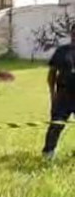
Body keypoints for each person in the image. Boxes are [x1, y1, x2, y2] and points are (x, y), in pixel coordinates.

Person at [42, 23, 75, 160]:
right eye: (74, 33)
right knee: (56, 124)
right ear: (71, 34)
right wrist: (52, 94)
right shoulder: (62, 51)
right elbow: (52, 74)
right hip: (63, 96)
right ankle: (48, 153)